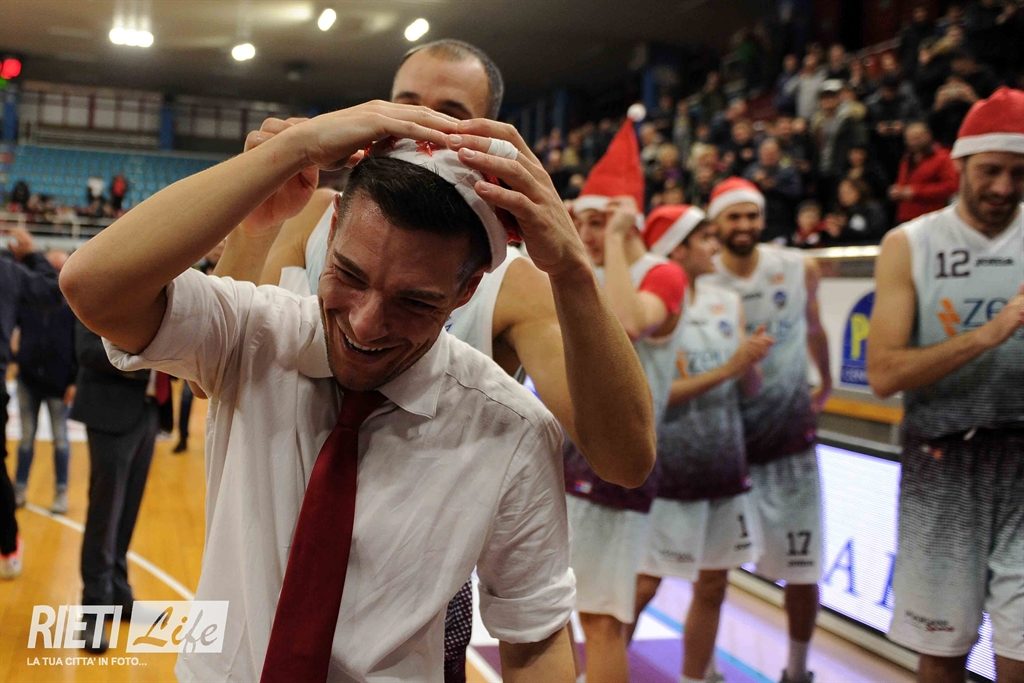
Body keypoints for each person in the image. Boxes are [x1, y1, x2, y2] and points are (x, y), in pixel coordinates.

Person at [60, 102, 579, 681]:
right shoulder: (256, 333)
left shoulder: (511, 430)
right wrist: (291, 150)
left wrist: (574, 269)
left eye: (414, 301)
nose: (365, 324)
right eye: (349, 275)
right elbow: (93, 286)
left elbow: (534, 637)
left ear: (466, 291)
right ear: (330, 234)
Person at [214, 41, 654, 680]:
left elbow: (623, 458)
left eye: (448, 114)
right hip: (267, 551)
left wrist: (574, 271)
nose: (419, 128)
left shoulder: (516, 281)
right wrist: (252, 210)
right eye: (407, 105)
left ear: (490, 136)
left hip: (414, 590)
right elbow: (212, 378)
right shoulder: (304, 212)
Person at [867, 86, 1024, 683]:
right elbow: (884, 374)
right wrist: (988, 335)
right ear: (959, 165)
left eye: (1018, 173)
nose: (1004, 187)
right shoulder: (910, 244)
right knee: (941, 653)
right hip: (943, 466)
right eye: (990, 171)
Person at [632, 205, 773, 683]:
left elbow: (748, 386)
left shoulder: (727, 300)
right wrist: (730, 367)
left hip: (724, 462)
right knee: (644, 585)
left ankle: (694, 678)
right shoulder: (652, 304)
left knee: (713, 585)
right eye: (705, 238)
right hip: (669, 466)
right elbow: (655, 394)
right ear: (678, 249)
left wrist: (750, 365)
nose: (715, 246)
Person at [568, 117, 687, 683]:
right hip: (568, 459)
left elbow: (629, 322)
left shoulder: (662, 274)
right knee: (557, 613)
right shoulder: (590, 271)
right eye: (583, 222)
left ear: (628, 219)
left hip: (619, 464)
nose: (588, 235)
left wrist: (614, 240)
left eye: (599, 223)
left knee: (602, 620)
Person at [701, 177, 831, 683]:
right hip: (727, 445)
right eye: (734, 216)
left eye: (752, 215)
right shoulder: (703, 279)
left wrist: (827, 381)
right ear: (716, 223)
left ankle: (797, 671)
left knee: (804, 569)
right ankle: (704, 668)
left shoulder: (797, 267)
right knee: (714, 572)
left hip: (788, 442)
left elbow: (815, 325)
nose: (745, 225)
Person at [71, 321, 168, 652]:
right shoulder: (99, 292)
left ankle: (118, 594)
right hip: (110, 409)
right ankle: (93, 610)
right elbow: (87, 350)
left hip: (148, 410)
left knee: (127, 512)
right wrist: (151, 356)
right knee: (105, 515)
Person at [0, 226, 61, 579]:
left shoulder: (8, 271)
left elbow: (52, 292)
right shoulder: (10, 270)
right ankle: (9, 545)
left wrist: (31, 256)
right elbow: (51, 290)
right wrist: (32, 254)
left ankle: (9, 545)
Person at [14, 249, 77, 514]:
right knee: (26, 438)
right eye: (50, 269)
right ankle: (19, 489)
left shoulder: (74, 304)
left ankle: (61, 492)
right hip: (28, 380)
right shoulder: (28, 299)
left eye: (59, 269)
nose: (53, 275)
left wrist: (74, 381)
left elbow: (78, 345)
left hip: (59, 384)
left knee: (60, 439)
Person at [889, 121, 960, 224]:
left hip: (931, 217)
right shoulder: (907, 158)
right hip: (906, 216)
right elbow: (903, 182)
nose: (913, 143)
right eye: (910, 139)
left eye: (917, 138)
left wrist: (916, 192)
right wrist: (897, 190)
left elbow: (951, 186)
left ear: (928, 136)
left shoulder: (942, 158)